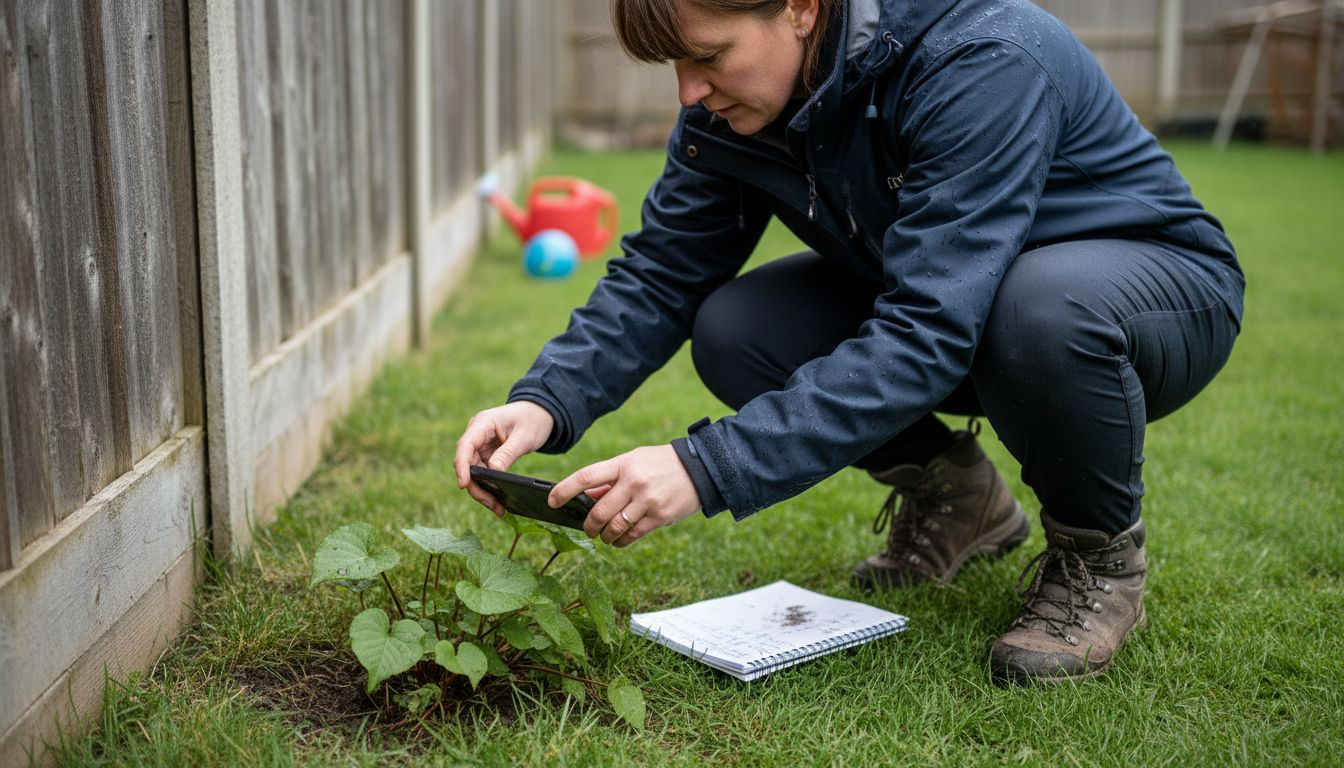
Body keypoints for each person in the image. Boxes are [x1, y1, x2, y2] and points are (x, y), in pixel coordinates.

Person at [454, 0, 1243, 685]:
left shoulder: (978, 58)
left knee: (1036, 310)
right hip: (965, 304)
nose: (689, 91)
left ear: (799, 8)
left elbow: (929, 327)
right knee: (736, 330)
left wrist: (705, 467)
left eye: (708, 56)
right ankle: (957, 498)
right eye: (675, 63)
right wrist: (544, 401)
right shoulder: (730, 112)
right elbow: (663, 274)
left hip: (1144, 297)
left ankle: (1097, 556)